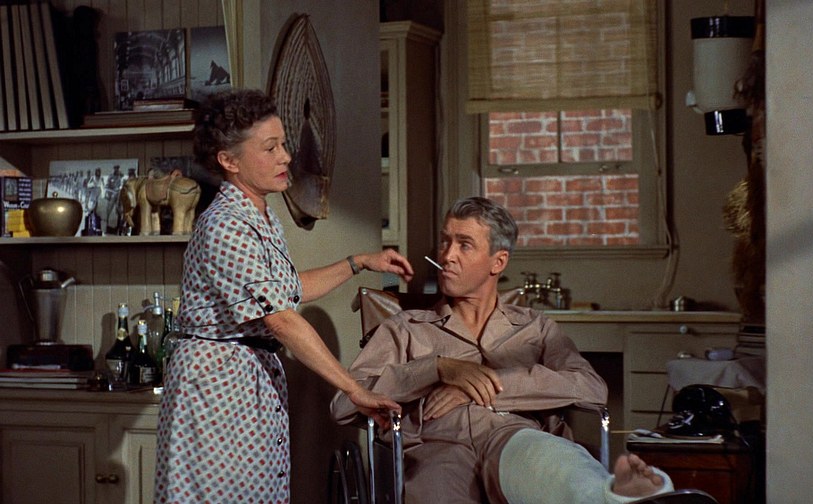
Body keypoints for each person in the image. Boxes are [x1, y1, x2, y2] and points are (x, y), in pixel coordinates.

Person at [154, 88, 414, 504]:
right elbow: (280, 318)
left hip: (247, 381)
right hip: (215, 389)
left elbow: (283, 291)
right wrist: (354, 389)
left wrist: (359, 262)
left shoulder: (259, 215)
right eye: (270, 147)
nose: (286, 157)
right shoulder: (226, 225)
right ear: (229, 161)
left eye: (283, 144)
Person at [331, 197, 675, 503]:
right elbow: (344, 404)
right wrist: (436, 369)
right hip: (437, 447)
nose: (447, 255)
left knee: (549, 464)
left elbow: (590, 387)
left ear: (498, 262)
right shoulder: (405, 327)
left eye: (464, 245)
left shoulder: (534, 327)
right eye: (445, 241)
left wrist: (489, 386)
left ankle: (609, 496)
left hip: (512, 436)